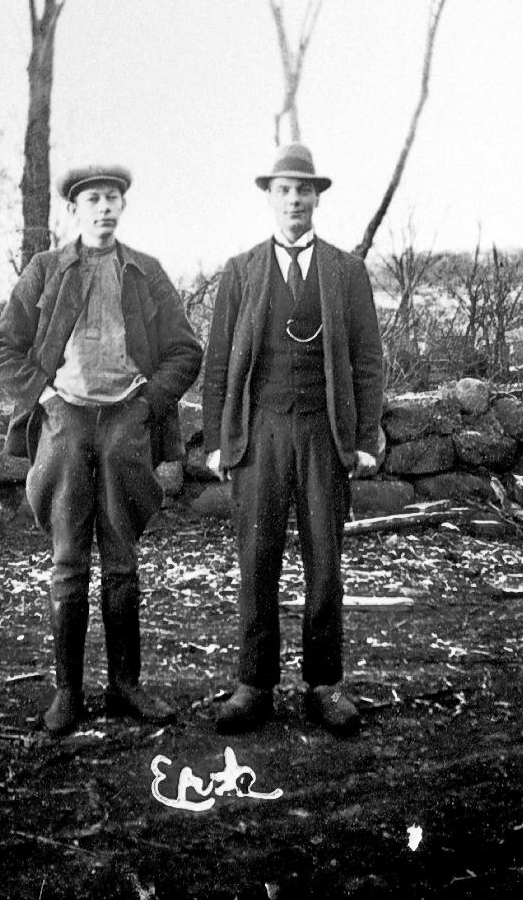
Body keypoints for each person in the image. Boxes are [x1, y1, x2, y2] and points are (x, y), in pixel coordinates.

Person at [0, 165, 202, 735]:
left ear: (123, 207)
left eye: (113, 198)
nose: (104, 208)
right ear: (74, 210)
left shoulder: (145, 271)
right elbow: (0, 349)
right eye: (93, 199)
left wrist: (146, 404)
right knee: (68, 562)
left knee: (122, 561)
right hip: (67, 424)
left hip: (125, 424)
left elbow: (185, 350)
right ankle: (68, 692)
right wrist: (46, 397)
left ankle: (126, 685)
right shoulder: (46, 269)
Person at [202, 144, 383, 736]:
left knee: (324, 562)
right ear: (270, 198)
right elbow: (219, 362)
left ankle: (324, 684)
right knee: (257, 560)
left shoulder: (346, 271)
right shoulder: (241, 271)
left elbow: (367, 361)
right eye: (284, 190)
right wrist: (218, 441)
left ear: (317, 199)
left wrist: (363, 438)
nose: (295, 200)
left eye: (304, 190)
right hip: (260, 434)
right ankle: (254, 685)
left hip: (323, 434)